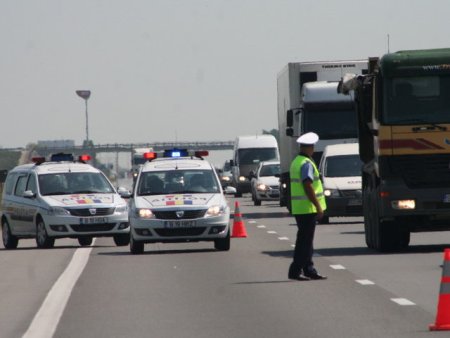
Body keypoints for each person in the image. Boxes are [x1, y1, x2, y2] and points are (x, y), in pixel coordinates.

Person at [288, 132, 327, 281]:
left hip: (301, 208)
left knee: (306, 242)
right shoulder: (306, 164)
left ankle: (309, 269)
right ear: (310, 147)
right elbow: (308, 185)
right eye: (313, 147)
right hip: (307, 208)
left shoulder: (297, 161)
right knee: (304, 243)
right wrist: (318, 206)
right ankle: (295, 271)